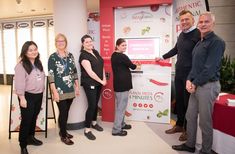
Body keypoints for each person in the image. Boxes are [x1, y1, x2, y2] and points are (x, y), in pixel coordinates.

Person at [172, 12, 225, 154]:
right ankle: (190, 145)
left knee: (205, 122)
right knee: (190, 116)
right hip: (195, 84)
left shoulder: (217, 42)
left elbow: (209, 69)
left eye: (206, 22)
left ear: (213, 24)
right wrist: (190, 79)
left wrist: (193, 83)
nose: (203, 24)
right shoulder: (200, 42)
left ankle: (206, 151)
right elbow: (194, 66)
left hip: (208, 86)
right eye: (201, 22)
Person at [157, 10, 200, 141]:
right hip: (179, 73)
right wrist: (162, 57)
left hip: (190, 76)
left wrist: (193, 78)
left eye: (187, 19)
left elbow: (200, 57)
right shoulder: (182, 34)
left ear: (193, 20)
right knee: (180, 101)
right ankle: (180, 125)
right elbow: (176, 49)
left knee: (188, 104)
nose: (184, 22)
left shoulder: (198, 34)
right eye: (182, 20)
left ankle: (188, 130)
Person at [48, 33, 79, 145]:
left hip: (70, 88)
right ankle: (64, 135)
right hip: (59, 90)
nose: (61, 43)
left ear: (66, 43)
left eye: (63, 41)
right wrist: (54, 91)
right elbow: (51, 76)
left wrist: (77, 86)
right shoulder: (52, 57)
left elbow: (74, 71)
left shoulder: (70, 55)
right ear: (56, 43)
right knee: (63, 112)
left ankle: (63, 131)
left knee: (65, 112)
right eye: (58, 41)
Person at [14, 41, 45, 154]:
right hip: (27, 96)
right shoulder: (21, 66)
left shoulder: (38, 63)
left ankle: (30, 138)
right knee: (26, 120)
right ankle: (23, 145)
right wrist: (22, 98)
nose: (33, 52)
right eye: (30, 50)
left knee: (33, 118)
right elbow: (19, 84)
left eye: (35, 49)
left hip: (38, 95)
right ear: (25, 52)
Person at [79, 34, 106, 140]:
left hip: (99, 82)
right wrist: (101, 81)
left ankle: (94, 123)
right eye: (87, 42)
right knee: (92, 105)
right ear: (83, 44)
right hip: (90, 83)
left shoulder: (95, 52)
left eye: (90, 41)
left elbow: (101, 65)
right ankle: (87, 129)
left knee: (95, 104)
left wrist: (104, 79)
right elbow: (90, 72)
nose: (89, 43)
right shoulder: (83, 56)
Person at [111, 38, 140, 136]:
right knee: (121, 108)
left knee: (120, 106)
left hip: (119, 84)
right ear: (117, 46)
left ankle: (121, 124)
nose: (125, 47)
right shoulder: (122, 56)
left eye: (125, 45)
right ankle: (116, 129)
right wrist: (137, 65)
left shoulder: (114, 55)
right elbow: (133, 66)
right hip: (122, 85)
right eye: (123, 45)